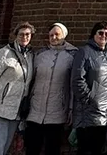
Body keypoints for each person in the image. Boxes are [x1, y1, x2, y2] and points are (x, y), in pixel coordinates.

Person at [0, 22, 35, 155]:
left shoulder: (30, 56)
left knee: (4, 148)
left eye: (28, 34)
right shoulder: (5, 52)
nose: (24, 37)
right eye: (21, 34)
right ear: (16, 36)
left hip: (16, 111)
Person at [25, 23, 77, 155]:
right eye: (51, 35)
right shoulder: (40, 55)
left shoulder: (72, 55)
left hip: (57, 110)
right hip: (35, 108)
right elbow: (30, 79)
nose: (53, 37)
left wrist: (70, 109)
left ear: (64, 35)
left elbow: (72, 86)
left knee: (52, 147)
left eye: (57, 34)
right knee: (32, 146)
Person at [71, 22, 107, 155]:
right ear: (94, 34)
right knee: (86, 150)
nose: (104, 36)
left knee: (98, 149)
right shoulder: (84, 51)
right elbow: (77, 79)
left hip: (104, 113)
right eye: (101, 33)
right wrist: (89, 100)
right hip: (88, 113)